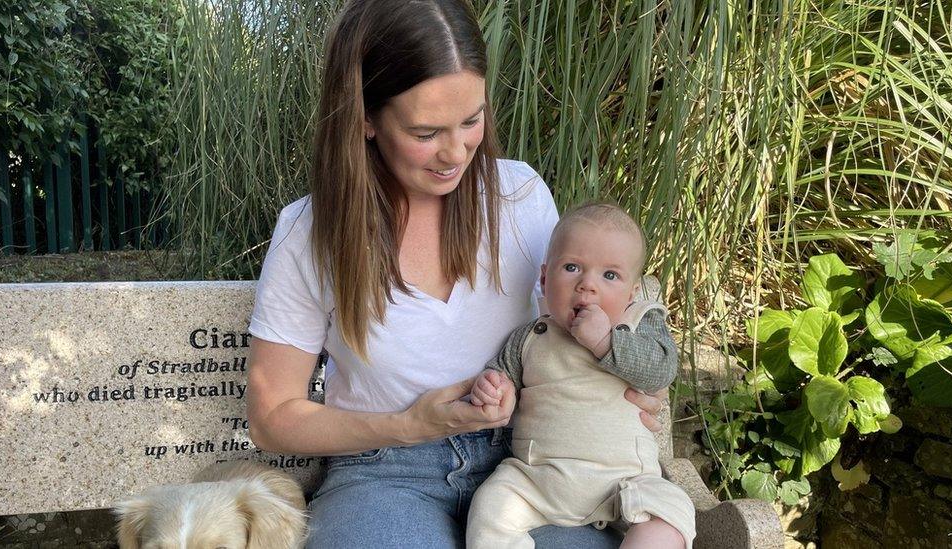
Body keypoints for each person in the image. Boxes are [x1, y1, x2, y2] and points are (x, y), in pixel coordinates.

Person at [246, 1, 668, 547]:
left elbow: (578, 330)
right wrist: (409, 425)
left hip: (541, 465)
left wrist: (627, 380)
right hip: (386, 472)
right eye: (425, 132)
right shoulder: (311, 232)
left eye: (471, 120)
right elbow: (273, 415)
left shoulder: (520, 196)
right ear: (365, 119)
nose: (455, 153)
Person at [465, 203, 695, 548]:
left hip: (627, 483)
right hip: (538, 479)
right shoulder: (530, 335)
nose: (587, 285)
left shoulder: (637, 325)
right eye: (572, 268)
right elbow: (503, 373)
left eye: (610, 276)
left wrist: (605, 342)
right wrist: (494, 387)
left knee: (671, 514)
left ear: (632, 294)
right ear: (544, 279)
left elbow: (662, 369)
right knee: (490, 507)